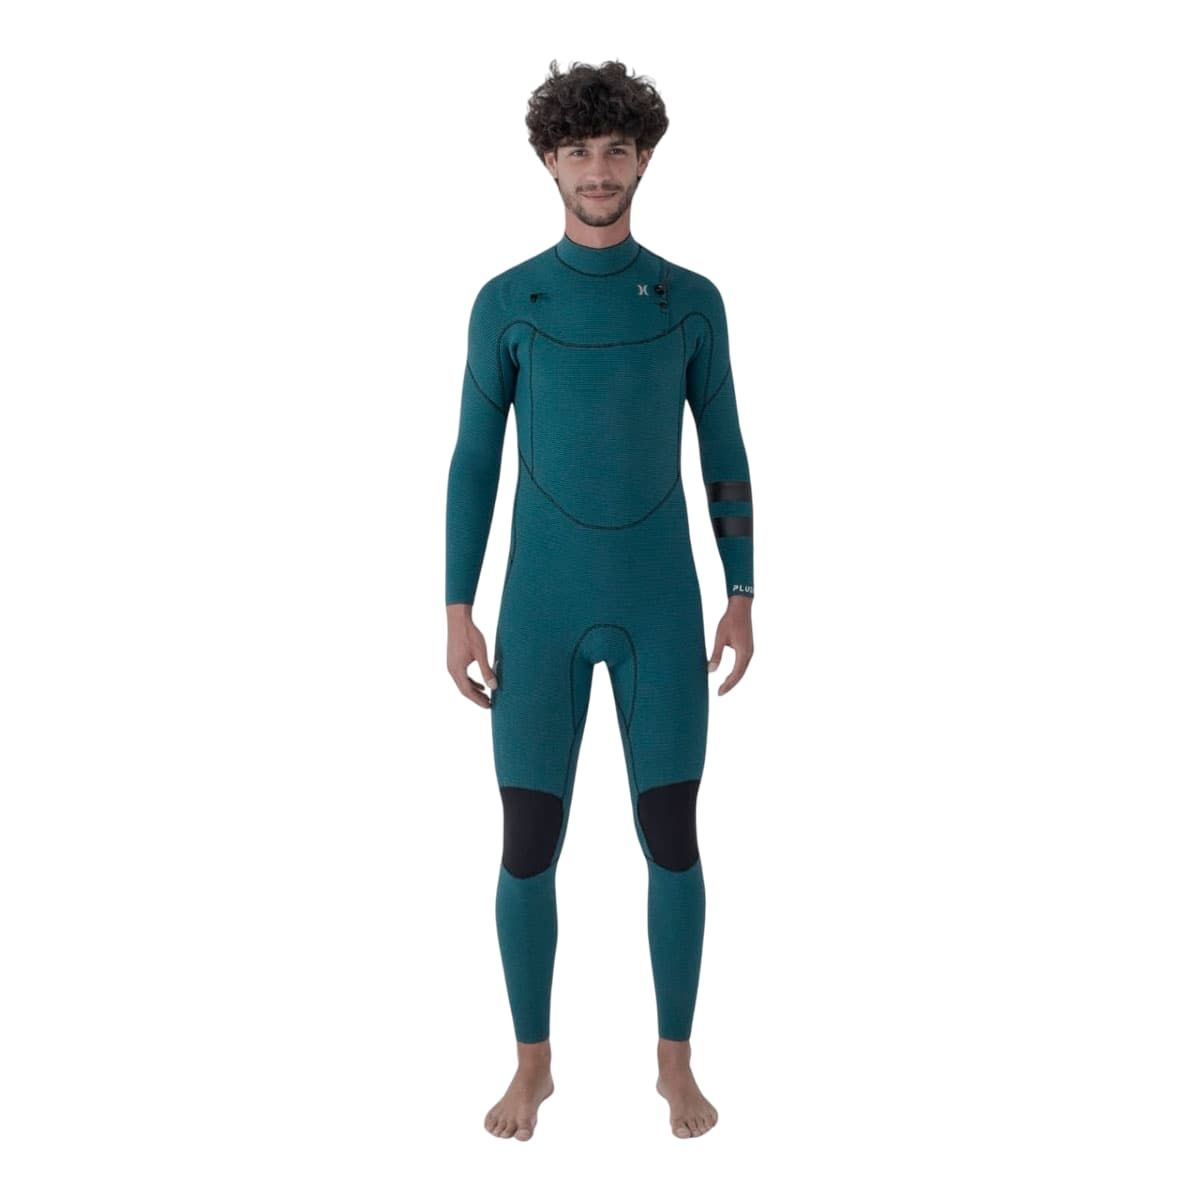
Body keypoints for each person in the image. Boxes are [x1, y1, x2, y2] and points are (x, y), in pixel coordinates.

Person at [444, 59, 754, 1140]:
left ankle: (675, 1065)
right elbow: (474, 460)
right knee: (527, 842)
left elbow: (724, 450)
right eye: (577, 150)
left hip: (663, 607)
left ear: (644, 158)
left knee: (672, 835)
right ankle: (532, 1067)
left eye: (616, 149)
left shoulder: (691, 301)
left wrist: (743, 590)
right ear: (549, 161)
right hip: (539, 610)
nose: (597, 170)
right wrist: (456, 607)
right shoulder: (506, 303)